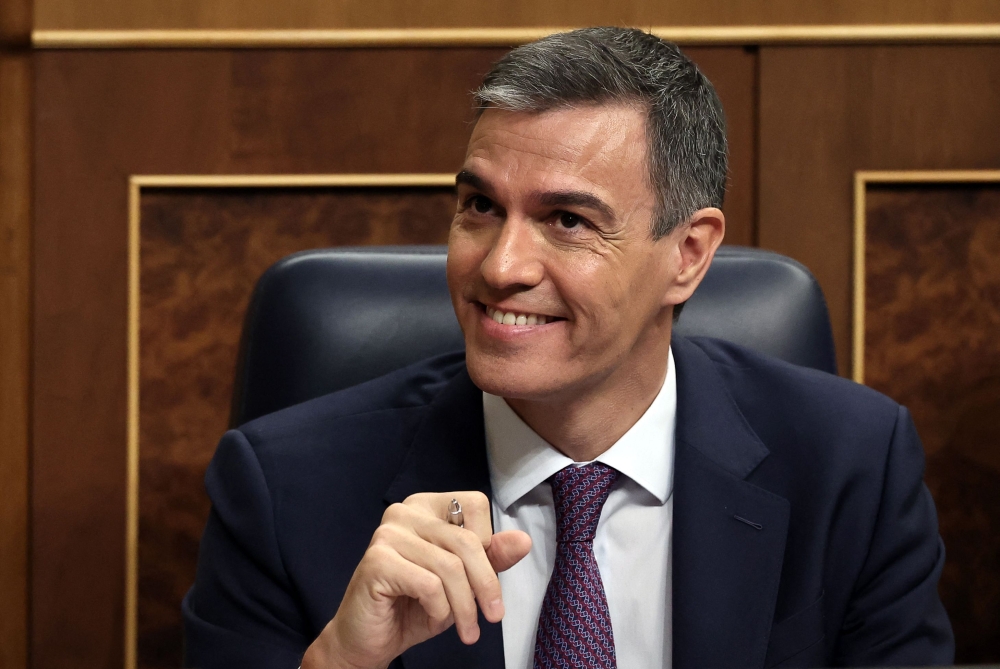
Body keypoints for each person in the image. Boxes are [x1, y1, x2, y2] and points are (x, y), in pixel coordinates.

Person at [182, 27, 954, 669]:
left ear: (687, 253)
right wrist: (339, 663)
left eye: (568, 221)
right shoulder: (285, 490)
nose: (499, 266)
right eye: (480, 206)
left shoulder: (853, 466)